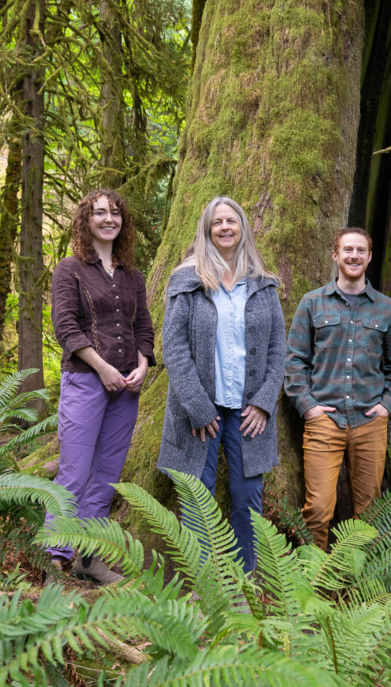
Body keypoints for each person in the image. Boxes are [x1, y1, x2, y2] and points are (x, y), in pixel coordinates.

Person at [157, 196, 286, 574]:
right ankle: (204, 586)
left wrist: (264, 402)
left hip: (249, 412)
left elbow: (279, 348)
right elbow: (174, 347)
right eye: (218, 222)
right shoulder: (187, 280)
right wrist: (197, 406)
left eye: (232, 220)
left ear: (243, 227)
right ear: (207, 230)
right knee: (199, 497)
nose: (226, 227)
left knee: (248, 499)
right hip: (200, 411)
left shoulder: (263, 285)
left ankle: (244, 582)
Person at [47, 189, 155, 585]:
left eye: (115, 213)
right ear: (86, 220)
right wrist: (102, 367)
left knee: (107, 475)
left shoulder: (133, 275)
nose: (109, 219)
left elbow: (143, 325)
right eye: (99, 213)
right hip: (85, 381)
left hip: (126, 389)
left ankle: (89, 559)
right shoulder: (70, 269)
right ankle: (54, 558)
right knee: (74, 473)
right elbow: (66, 326)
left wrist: (143, 364)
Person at [284, 228, 391, 550]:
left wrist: (387, 406)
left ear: (369, 257)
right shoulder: (312, 303)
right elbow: (295, 361)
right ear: (335, 255)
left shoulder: (387, 309)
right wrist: (307, 406)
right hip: (324, 421)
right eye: (347, 250)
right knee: (318, 509)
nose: (354, 256)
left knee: (369, 514)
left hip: (370, 422)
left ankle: (357, 586)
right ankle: (314, 585)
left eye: (361, 251)